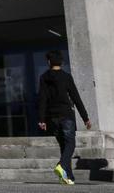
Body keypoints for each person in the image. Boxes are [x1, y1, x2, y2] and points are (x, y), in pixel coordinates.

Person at [37, 50, 91, 186]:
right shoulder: (66, 77)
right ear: (60, 62)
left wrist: (42, 119)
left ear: (49, 62)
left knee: (64, 146)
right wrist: (85, 117)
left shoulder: (44, 77)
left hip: (52, 117)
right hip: (66, 115)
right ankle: (61, 165)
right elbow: (76, 98)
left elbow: (42, 99)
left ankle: (68, 177)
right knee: (70, 144)